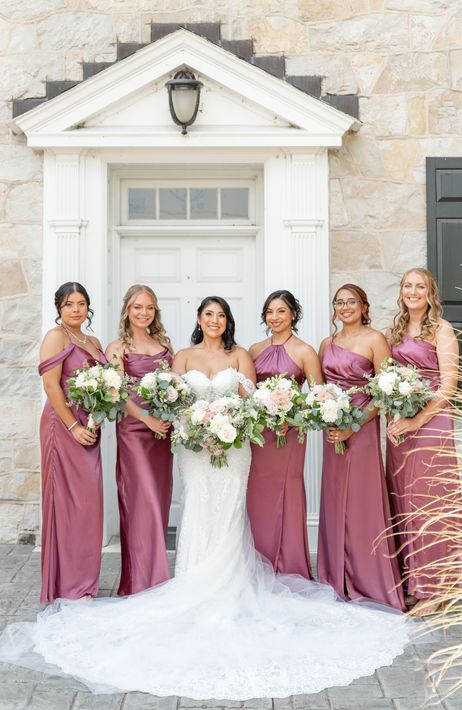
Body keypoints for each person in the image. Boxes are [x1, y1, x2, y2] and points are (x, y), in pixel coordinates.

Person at [0, 296, 412, 700]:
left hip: (235, 449)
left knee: (231, 512)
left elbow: (254, 402)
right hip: (196, 449)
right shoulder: (181, 355)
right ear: (199, 319)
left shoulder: (241, 356)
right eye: (208, 314)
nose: (214, 320)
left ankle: (231, 581)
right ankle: (192, 580)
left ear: (228, 321)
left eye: (221, 315)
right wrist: (198, 428)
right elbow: (175, 402)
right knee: (199, 508)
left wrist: (230, 425)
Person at [386, 268, 462, 617]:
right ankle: (415, 582)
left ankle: (437, 588)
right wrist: (394, 416)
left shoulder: (442, 330)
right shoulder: (394, 331)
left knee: (430, 502)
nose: (413, 291)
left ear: (430, 292)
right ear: (402, 292)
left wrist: (417, 419)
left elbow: (448, 386)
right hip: (400, 427)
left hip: (432, 423)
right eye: (408, 286)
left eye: (420, 286)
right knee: (403, 500)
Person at [317, 284, 405, 610]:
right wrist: (327, 415)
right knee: (335, 496)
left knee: (362, 500)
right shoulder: (328, 343)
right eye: (339, 302)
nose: (345, 307)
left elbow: (384, 394)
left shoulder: (375, 340)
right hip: (332, 428)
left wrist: (353, 425)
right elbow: (320, 389)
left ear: (364, 305)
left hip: (362, 430)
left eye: (351, 301)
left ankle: (369, 578)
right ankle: (335, 575)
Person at [247, 290, 323, 578]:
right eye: (269, 311)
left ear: (293, 314)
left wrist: (291, 417)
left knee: (288, 492)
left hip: (289, 433)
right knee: (259, 496)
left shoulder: (305, 351)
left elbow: (317, 396)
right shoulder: (254, 349)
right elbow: (248, 391)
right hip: (260, 434)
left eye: (281, 311)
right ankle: (261, 564)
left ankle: (290, 566)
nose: (274, 317)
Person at [38, 282, 106, 603]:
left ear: (88, 307)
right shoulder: (56, 337)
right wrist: (73, 427)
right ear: (59, 309)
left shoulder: (92, 341)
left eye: (81, 304)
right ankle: (68, 585)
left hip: (89, 426)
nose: (75, 309)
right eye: (68, 305)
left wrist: (95, 417)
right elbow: (52, 386)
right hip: (63, 425)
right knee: (67, 503)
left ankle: (84, 580)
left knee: (88, 504)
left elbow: (105, 387)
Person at [106, 285, 174, 595]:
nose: (144, 313)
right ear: (127, 310)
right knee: (140, 502)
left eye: (149, 307)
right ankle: (143, 583)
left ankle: (155, 577)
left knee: (158, 503)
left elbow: (174, 386)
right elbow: (117, 394)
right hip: (134, 431)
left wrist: (168, 416)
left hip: (162, 432)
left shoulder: (164, 345)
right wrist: (145, 418)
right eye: (137, 307)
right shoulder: (117, 347)